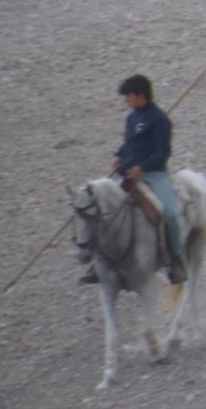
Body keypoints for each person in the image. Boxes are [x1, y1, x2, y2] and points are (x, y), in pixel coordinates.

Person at [79, 74, 186, 286]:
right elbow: (129, 145)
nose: (126, 101)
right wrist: (119, 156)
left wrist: (143, 167)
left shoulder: (160, 120)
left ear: (139, 95)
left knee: (171, 214)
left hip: (154, 175)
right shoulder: (131, 118)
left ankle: (176, 260)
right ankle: (98, 261)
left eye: (128, 96)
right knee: (105, 210)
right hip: (128, 176)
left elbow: (163, 152)